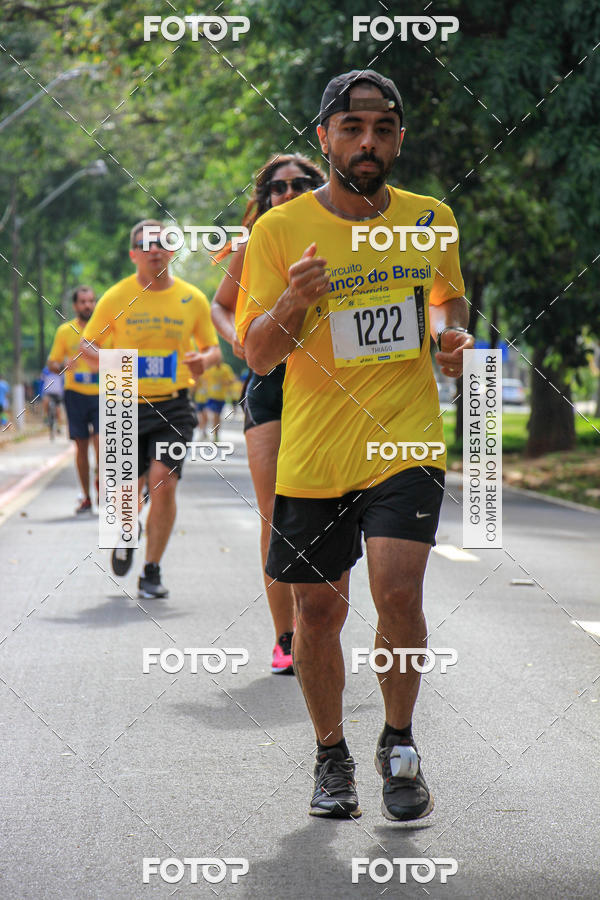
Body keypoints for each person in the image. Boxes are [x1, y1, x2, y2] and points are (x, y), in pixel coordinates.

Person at [236, 70, 474, 820]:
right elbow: (258, 355)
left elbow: (448, 299)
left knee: (399, 593)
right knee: (317, 615)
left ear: (399, 139)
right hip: (314, 453)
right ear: (325, 138)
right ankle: (331, 754)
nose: (368, 142)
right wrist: (292, 300)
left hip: (406, 440)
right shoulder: (278, 231)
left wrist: (450, 340)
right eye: (352, 128)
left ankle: (399, 744)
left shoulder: (432, 218)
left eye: (382, 129)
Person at [211, 153, 326, 674]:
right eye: (278, 187)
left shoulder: (341, 233)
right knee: (275, 513)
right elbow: (221, 303)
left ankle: (318, 626)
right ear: (265, 198)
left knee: (328, 509)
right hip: (270, 385)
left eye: (300, 183)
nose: (288, 192)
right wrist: (236, 336)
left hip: (329, 386)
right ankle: (286, 636)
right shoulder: (254, 240)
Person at [80, 219, 221, 598]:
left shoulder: (192, 298)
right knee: (126, 495)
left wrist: (203, 360)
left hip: (173, 406)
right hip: (123, 403)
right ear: (133, 254)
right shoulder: (116, 297)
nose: (154, 249)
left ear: (172, 250)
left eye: (161, 242)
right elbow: (86, 345)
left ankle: (152, 571)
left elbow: (213, 348)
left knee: (163, 481)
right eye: (145, 244)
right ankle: (127, 528)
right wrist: (116, 363)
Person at [48, 286, 100, 513]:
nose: (87, 305)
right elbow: (52, 363)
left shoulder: (107, 328)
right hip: (75, 394)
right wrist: (62, 365)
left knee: (102, 443)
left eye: (91, 301)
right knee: (81, 446)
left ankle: (100, 481)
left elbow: (122, 357)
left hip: (103, 393)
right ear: (75, 306)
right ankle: (87, 497)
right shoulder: (64, 331)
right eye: (83, 302)